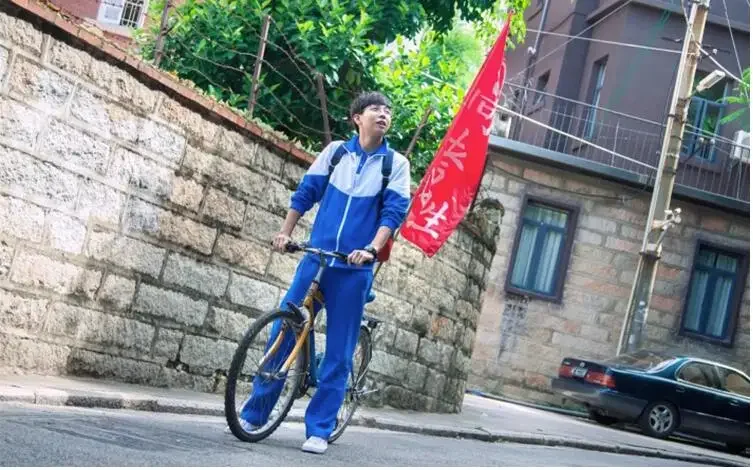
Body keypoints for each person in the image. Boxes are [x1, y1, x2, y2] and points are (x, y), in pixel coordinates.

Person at [239, 91, 411, 454]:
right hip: (315, 260)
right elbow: (306, 193)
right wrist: (286, 232)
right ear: (357, 118)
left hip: (353, 268)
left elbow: (392, 214)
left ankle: (319, 428)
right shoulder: (335, 153)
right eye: (375, 109)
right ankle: (255, 414)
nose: (383, 115)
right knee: (282, 331)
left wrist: (371, 249)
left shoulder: (394, 164)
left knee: (338, 351)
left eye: (388, 111)